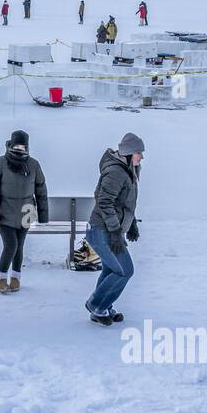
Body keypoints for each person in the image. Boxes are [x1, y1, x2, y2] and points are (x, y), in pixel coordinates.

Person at [84, 133, 144, 326]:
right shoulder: (116, 172)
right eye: (138, 152)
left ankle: (103, 308)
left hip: (109, 230)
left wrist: (132, 225)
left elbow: (125, 203)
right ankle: (96, 305)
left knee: (111, 269)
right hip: (102, 230)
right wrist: (116, 232)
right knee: (125, 270)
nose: (141, 157)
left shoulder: (127, 171)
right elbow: (105, 202)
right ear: (129, 152)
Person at [0, 129, 49, 294]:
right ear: (10, 145)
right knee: (11, 245)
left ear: (27, 147)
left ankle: (16, 277)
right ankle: (1, 277)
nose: (19, 149)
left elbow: (41, 190)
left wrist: (43, 215)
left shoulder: (33, 165)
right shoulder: (0, 163)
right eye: (17, 146)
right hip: (4, 213)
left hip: (26, 213)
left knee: (19, 246)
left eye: (22, 147)